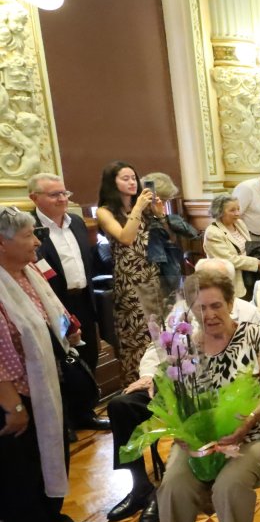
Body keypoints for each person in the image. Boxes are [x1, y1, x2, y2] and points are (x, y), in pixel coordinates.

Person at [108, 259, 260, 522]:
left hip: (219, 396)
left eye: (213, 285)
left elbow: (258, 355)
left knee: (190, 420)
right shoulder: (183, 311)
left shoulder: (247, 312)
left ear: (228, 292)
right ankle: (139, 485)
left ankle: (167, 491)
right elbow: (158, 347)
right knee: (121, 405)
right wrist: (149, 375)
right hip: (174, 384)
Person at [158, 269, 260, 522]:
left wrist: (248, 422)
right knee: (172, 485)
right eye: (201, 308)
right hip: (201, 441)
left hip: (256, 434)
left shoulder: (255, 335)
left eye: (216, 305)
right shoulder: (184, 347)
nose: (209, 314)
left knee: (229, 485)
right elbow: (176, 399)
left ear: (231, 303)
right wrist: (181, 429)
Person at [0, 208, 94, 522]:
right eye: (28, 236)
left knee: (51, 456)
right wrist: (11, 404)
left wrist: (66, 327)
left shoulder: (28, 272)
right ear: (3, 243)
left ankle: (50, 521)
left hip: (47, 384)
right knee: (19, 473)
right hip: (15, 396)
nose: (37, 242)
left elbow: (48, 312)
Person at [28, 173, 107, 432]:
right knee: (60, 363)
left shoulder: (76, 222)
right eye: (54, 195)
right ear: (34, 198)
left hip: (82, 299)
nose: (62, 199)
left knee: (87, 357)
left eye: (65, 193)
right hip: (52, 305)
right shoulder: (29, 228)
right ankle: (66, 422)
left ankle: (85, 413)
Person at [96, 161, 162, 385]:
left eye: (134, 177)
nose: (132, 182)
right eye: (125, 178)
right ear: (111, 182)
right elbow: (126, 238)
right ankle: (138, 385)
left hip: (151, 276)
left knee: (157, 333)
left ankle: (162, 381)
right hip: (130, 281)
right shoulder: (105, 212)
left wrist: (159, 215)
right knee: (137, 336)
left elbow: (158, 241)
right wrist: (138, 209)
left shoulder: (141, 208)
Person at [203, 194, 260, 300]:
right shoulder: (213, 233)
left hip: (248, 275)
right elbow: (228, 259)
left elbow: (247, 247)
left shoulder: (239, 223)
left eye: (238, 209)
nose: (237, 213)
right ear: (220, 212)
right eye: (232, 210)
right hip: (230, 280)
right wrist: (256, 263)